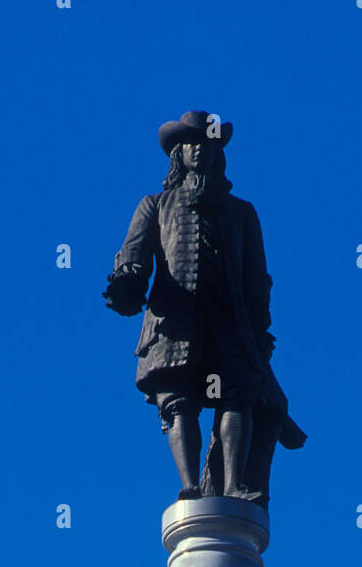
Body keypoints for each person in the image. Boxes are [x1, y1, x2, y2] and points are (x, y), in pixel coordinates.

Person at [104, 111, 305, 504]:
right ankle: (189, 484)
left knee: (237, 396)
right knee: (180, 401)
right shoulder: (155, 205)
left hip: (230, 322)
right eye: (191, 144)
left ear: (217, 153)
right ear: (178, 154)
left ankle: (233, 486)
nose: (199, 149)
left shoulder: (242, 213)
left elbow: (257, 276)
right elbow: (133, 254)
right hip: (177, 321)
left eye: (206, 143)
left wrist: (259, 328)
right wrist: (126, 279)